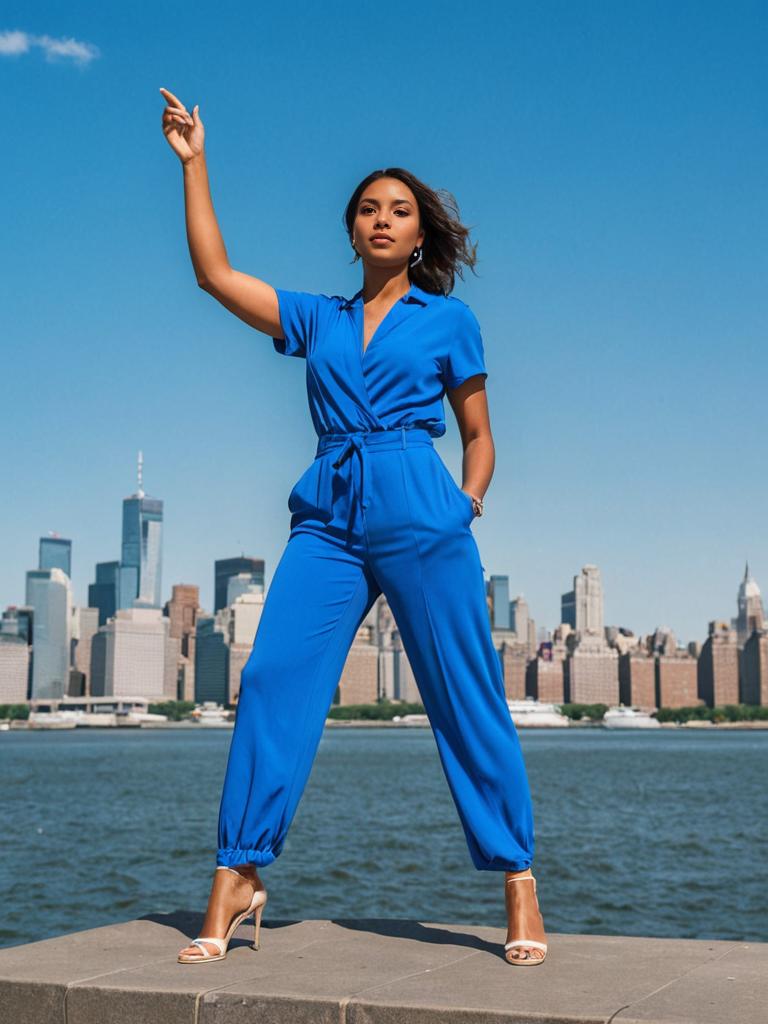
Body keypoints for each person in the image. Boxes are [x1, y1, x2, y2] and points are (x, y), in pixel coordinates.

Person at [159, 87, 548, 967]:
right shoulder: (319, 319)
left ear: (420, 235)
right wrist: (195, 164)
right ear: (352, 232)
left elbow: (481, 436)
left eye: (400, 211)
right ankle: (238, 873)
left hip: (422, 504)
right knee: (271, 681)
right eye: (368, 210)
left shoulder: (448, 320)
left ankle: (516, 877)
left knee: (465, 693)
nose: (383, 220)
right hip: (328, 514)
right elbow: (215, 277)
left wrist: (464, 503)